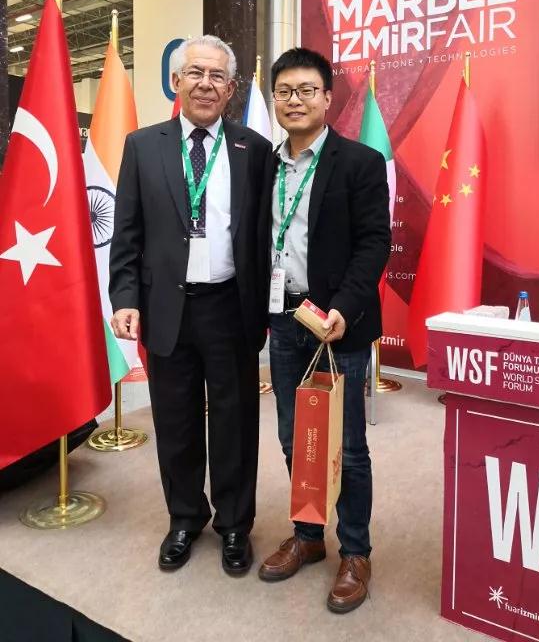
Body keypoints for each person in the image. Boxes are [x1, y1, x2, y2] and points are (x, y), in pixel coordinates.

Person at [109, 35, 272, 576]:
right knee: (175, 421)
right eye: (196, 73)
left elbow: (263, 236)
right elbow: (127, 232)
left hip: (231, 307)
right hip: (167, 308)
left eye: (217, 76)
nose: (206, 84)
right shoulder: (143, 146)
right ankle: (184, 517)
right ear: (176, 81)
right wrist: (125, 297)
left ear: (231, 88)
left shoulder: (254, 149)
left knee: (235, 422)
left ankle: (234, 524)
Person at [258, 48, 391, 612]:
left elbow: (374, 243)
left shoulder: (359, 162)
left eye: (306, 90)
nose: (295, 100)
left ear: (328, 98)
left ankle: (355, 551)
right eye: (285, 91)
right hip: (283, 320)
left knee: (348, 445)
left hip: (338, 325)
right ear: (274, 98)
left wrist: (345, 307)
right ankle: (309, 536)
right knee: (296, 437)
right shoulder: (263, 165)